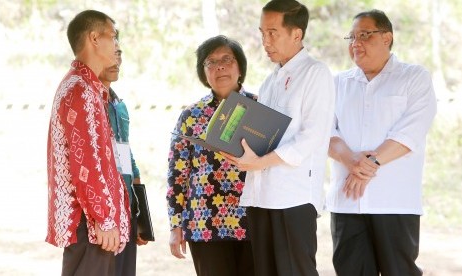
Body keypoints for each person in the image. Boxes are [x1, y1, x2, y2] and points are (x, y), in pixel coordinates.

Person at [221, 1, 335, 275]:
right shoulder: (270, 81)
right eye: (262, 33)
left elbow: (312, 137)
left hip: (292, 197)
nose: (265, 41)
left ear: (297, 34)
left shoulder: (315, 73)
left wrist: (260, 163)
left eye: (273, 33)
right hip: (260, 195)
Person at [326, 9, 437, 276]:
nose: (356, 43)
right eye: (351, 37)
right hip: (347, 202)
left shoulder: (414, 77)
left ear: (387, 38)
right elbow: (325, 133)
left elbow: (410, 132)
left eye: (364, 35)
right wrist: (351, 160)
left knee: (399, 271)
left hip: (395, 201)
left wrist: (370, 163)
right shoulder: (337, 83)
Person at [46, 10, 130, 276]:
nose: (117, 45)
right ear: (95, 38)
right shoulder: (80, 89)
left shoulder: (88, 86)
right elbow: (85, 163)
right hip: (88, 222)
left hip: (91, 220)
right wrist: (104, 218)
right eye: (113, 37)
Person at [167, 35, 255, 276]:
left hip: (253, 222)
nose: (220, 67)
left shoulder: (260, 107)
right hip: (204, 224)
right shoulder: (191, 116)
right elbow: (177, 174)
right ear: (203, 72)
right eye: (211, 62)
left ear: (240, 67)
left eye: (227, 59)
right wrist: (176, 225)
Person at [98, 31, 148, 276]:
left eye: (119, 54)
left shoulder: (120, 105)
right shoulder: (89, 102)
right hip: (101, 212)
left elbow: (128, 157)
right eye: (111, 55)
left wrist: (139, 215)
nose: (115, 61)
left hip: (125, 209)